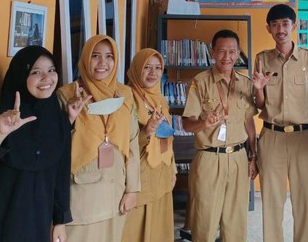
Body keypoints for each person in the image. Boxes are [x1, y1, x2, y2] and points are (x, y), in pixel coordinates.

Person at [0, 46, 72, 242]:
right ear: (21, 76)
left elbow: (61, 174)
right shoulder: (3, 119)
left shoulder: (59, 120)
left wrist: (60, 221)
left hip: (36, 226)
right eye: (36, 72)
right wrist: (0, 136)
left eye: (51, 70)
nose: (47, 78)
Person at [252, 3, 308, 242]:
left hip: (302, 138)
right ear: (268, 29)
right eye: (275, 24)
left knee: (303, 200)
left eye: (285, 24)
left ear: (294, 26)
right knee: (272, 201)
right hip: (271, 137)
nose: (280, 29)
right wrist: (259, 89)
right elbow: (260, 104)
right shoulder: (262, 59)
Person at [57, 35, 140, 242]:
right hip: (81, 196)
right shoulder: (66, 95)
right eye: (95, 56)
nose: (103, 63)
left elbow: (132, 144)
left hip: (115, 192)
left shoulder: (125, 94)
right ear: (85, 59)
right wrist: (69, 115)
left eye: (109, 56)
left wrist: (132, 190)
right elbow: (56, 146)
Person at [182, 29, 258, 242]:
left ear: (239, 53)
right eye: (221, 51)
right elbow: (187, 124)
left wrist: (253, 157)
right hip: (209, 158)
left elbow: (249, 121)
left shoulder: (245, 83)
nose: (227, 57)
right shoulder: (201, 82)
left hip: (238, 158)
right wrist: (204, 123)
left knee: (236, 220)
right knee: (204, 218)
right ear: (212, 52)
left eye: (232, 52)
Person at [122, 48, 176, 242]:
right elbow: (122, 144)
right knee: (135, 231)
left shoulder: (160, 99)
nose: (153, 73)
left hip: (162, 174)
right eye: (147, 67)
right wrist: (147, 131)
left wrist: (173, 170)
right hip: (139, 177)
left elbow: (168, 137)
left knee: (158, 231)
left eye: (158, 68)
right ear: (136, 68)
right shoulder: (126, 98)